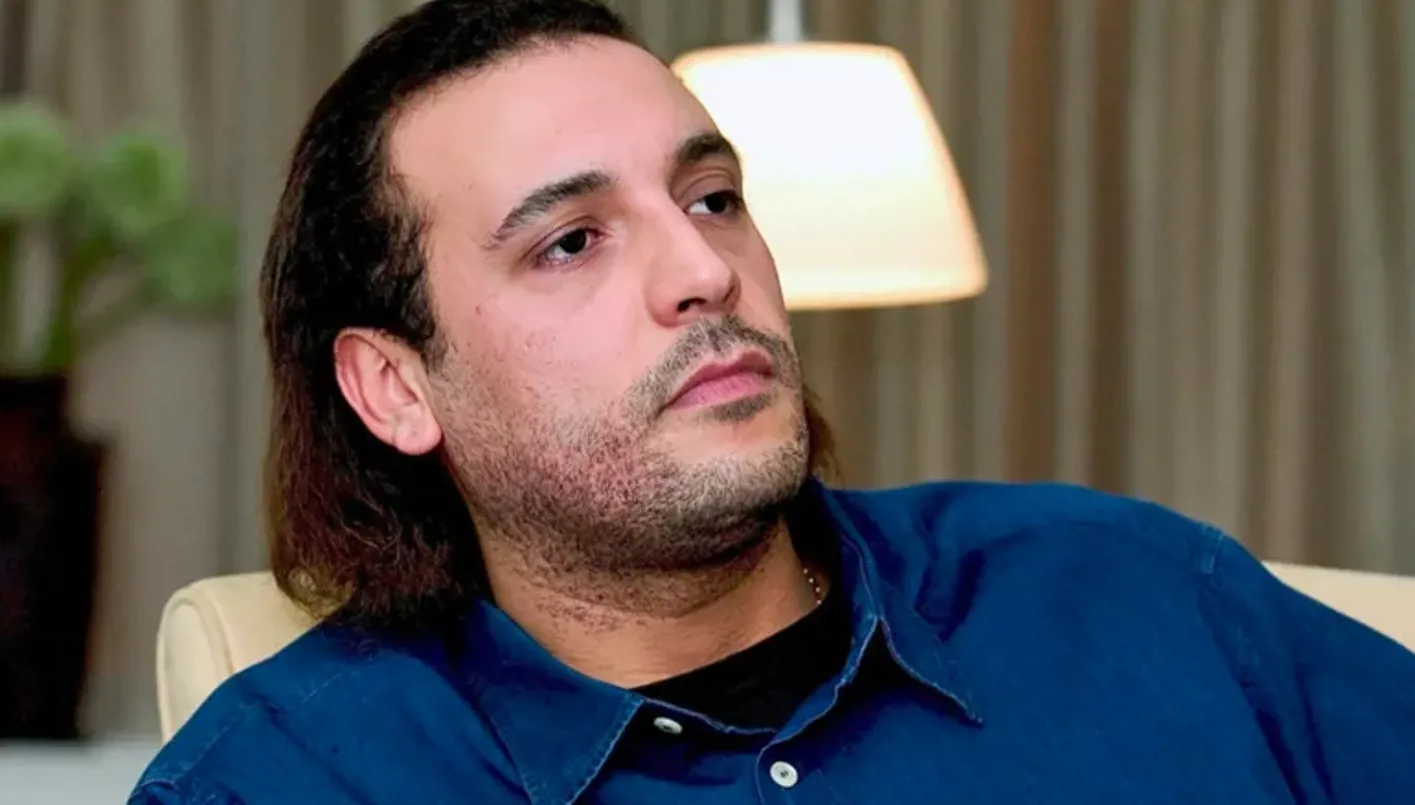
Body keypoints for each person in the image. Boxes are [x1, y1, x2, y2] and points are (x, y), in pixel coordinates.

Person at [130, 1, 1415, 802]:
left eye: (711, 198)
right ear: (396, 386)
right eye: (570, 242)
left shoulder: (1139, 597)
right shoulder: (286, 781)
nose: (703, 271)